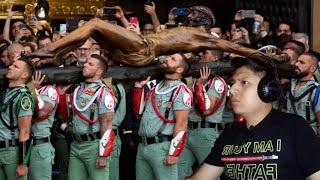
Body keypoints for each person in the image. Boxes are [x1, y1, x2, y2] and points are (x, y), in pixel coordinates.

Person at [187, 57, 320, 180]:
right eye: (233, 82)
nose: (232, 90)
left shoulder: (294, 127)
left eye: (244, 82)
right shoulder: (229, 133)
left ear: (268, 89)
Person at [30, 6, 280, 67]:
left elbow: (236, 48)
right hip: (138, 49)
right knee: (94, 29)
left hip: (145, 49)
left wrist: (265, 56)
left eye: (192, 13)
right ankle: (57, 55)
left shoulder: (205, 36)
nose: (188, 14)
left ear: (202, 20)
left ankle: (51, 51)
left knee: (96, 23)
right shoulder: (188, 30)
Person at [133, 53, 192, 180]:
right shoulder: (155, 87)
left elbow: (181, 123)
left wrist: (174, 153)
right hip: (143, 146)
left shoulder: (181, 90)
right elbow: (138, 113)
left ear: (179, 69)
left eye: (172, 59)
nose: (167, 59)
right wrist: (138, 89)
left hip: (163, 147)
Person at [57, 54, 116, 180]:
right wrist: (61, 96)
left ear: (99, 71)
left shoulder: (103, 93)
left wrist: (103, 154)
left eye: (90, 64)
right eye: (86, 63)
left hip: (94, 146)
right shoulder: (78, 90)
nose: (85, 65)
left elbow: (107, 125)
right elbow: (67, 116)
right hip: (75, 145)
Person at [179, 64, 227, 179]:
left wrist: (200, 85)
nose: (200, 55)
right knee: (178, 170)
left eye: (205, 53)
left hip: (205, 132)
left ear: (214, 60)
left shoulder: (217, 82)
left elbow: (207, 109)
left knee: (210, 175)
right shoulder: (198, 80)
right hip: (189, 131)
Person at [0, 58, 35, 180]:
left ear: (24, 74)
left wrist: (24, 162)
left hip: (11, 152)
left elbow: (25, 131)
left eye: (16, 67)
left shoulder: (23, 97)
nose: (10, 67)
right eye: (11, 65)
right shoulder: (5, 94)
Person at [28, 71, 58, 180]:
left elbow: (42, 113)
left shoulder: (49, 90)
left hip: (39, 144)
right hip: (22, 144)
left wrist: (32, 89)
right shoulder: (23, 89)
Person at [284, 52, 320, 134]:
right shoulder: (290, 85)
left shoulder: (316, 90)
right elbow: (285, 110)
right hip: (289, 133)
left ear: (313, 68)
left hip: (307, 136)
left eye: (302, 62)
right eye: (297, 61)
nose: (296, 64)